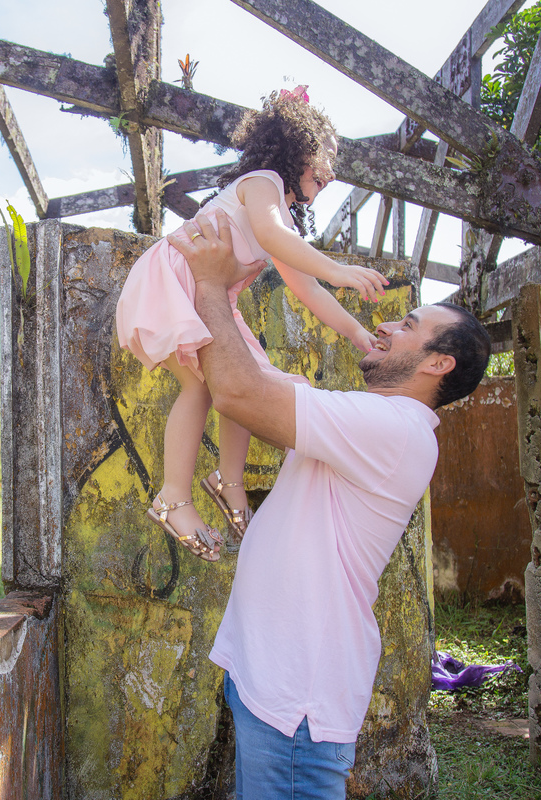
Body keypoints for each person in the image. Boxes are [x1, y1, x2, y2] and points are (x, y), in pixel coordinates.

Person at [168, 214, 491, 799]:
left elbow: (239, 392)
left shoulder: (397, 429)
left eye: (409, 325)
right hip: (269, 677)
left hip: (297, 699)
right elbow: (257, 392)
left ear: (438, 363)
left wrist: (211, 285)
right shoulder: (368, 420)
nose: (388, 324)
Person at [115, 86, 389, 562]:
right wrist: (339, 268)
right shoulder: (260, 182)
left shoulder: (283, 218)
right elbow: (268, 233)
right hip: (183, 277)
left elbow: (307, 290)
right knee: (198, 388)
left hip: (213, 295)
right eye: (327, 153)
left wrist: (353, 331)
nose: (333, 169)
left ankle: (228, 480)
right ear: (296, 146)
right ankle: (174, 497)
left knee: (245, 384)